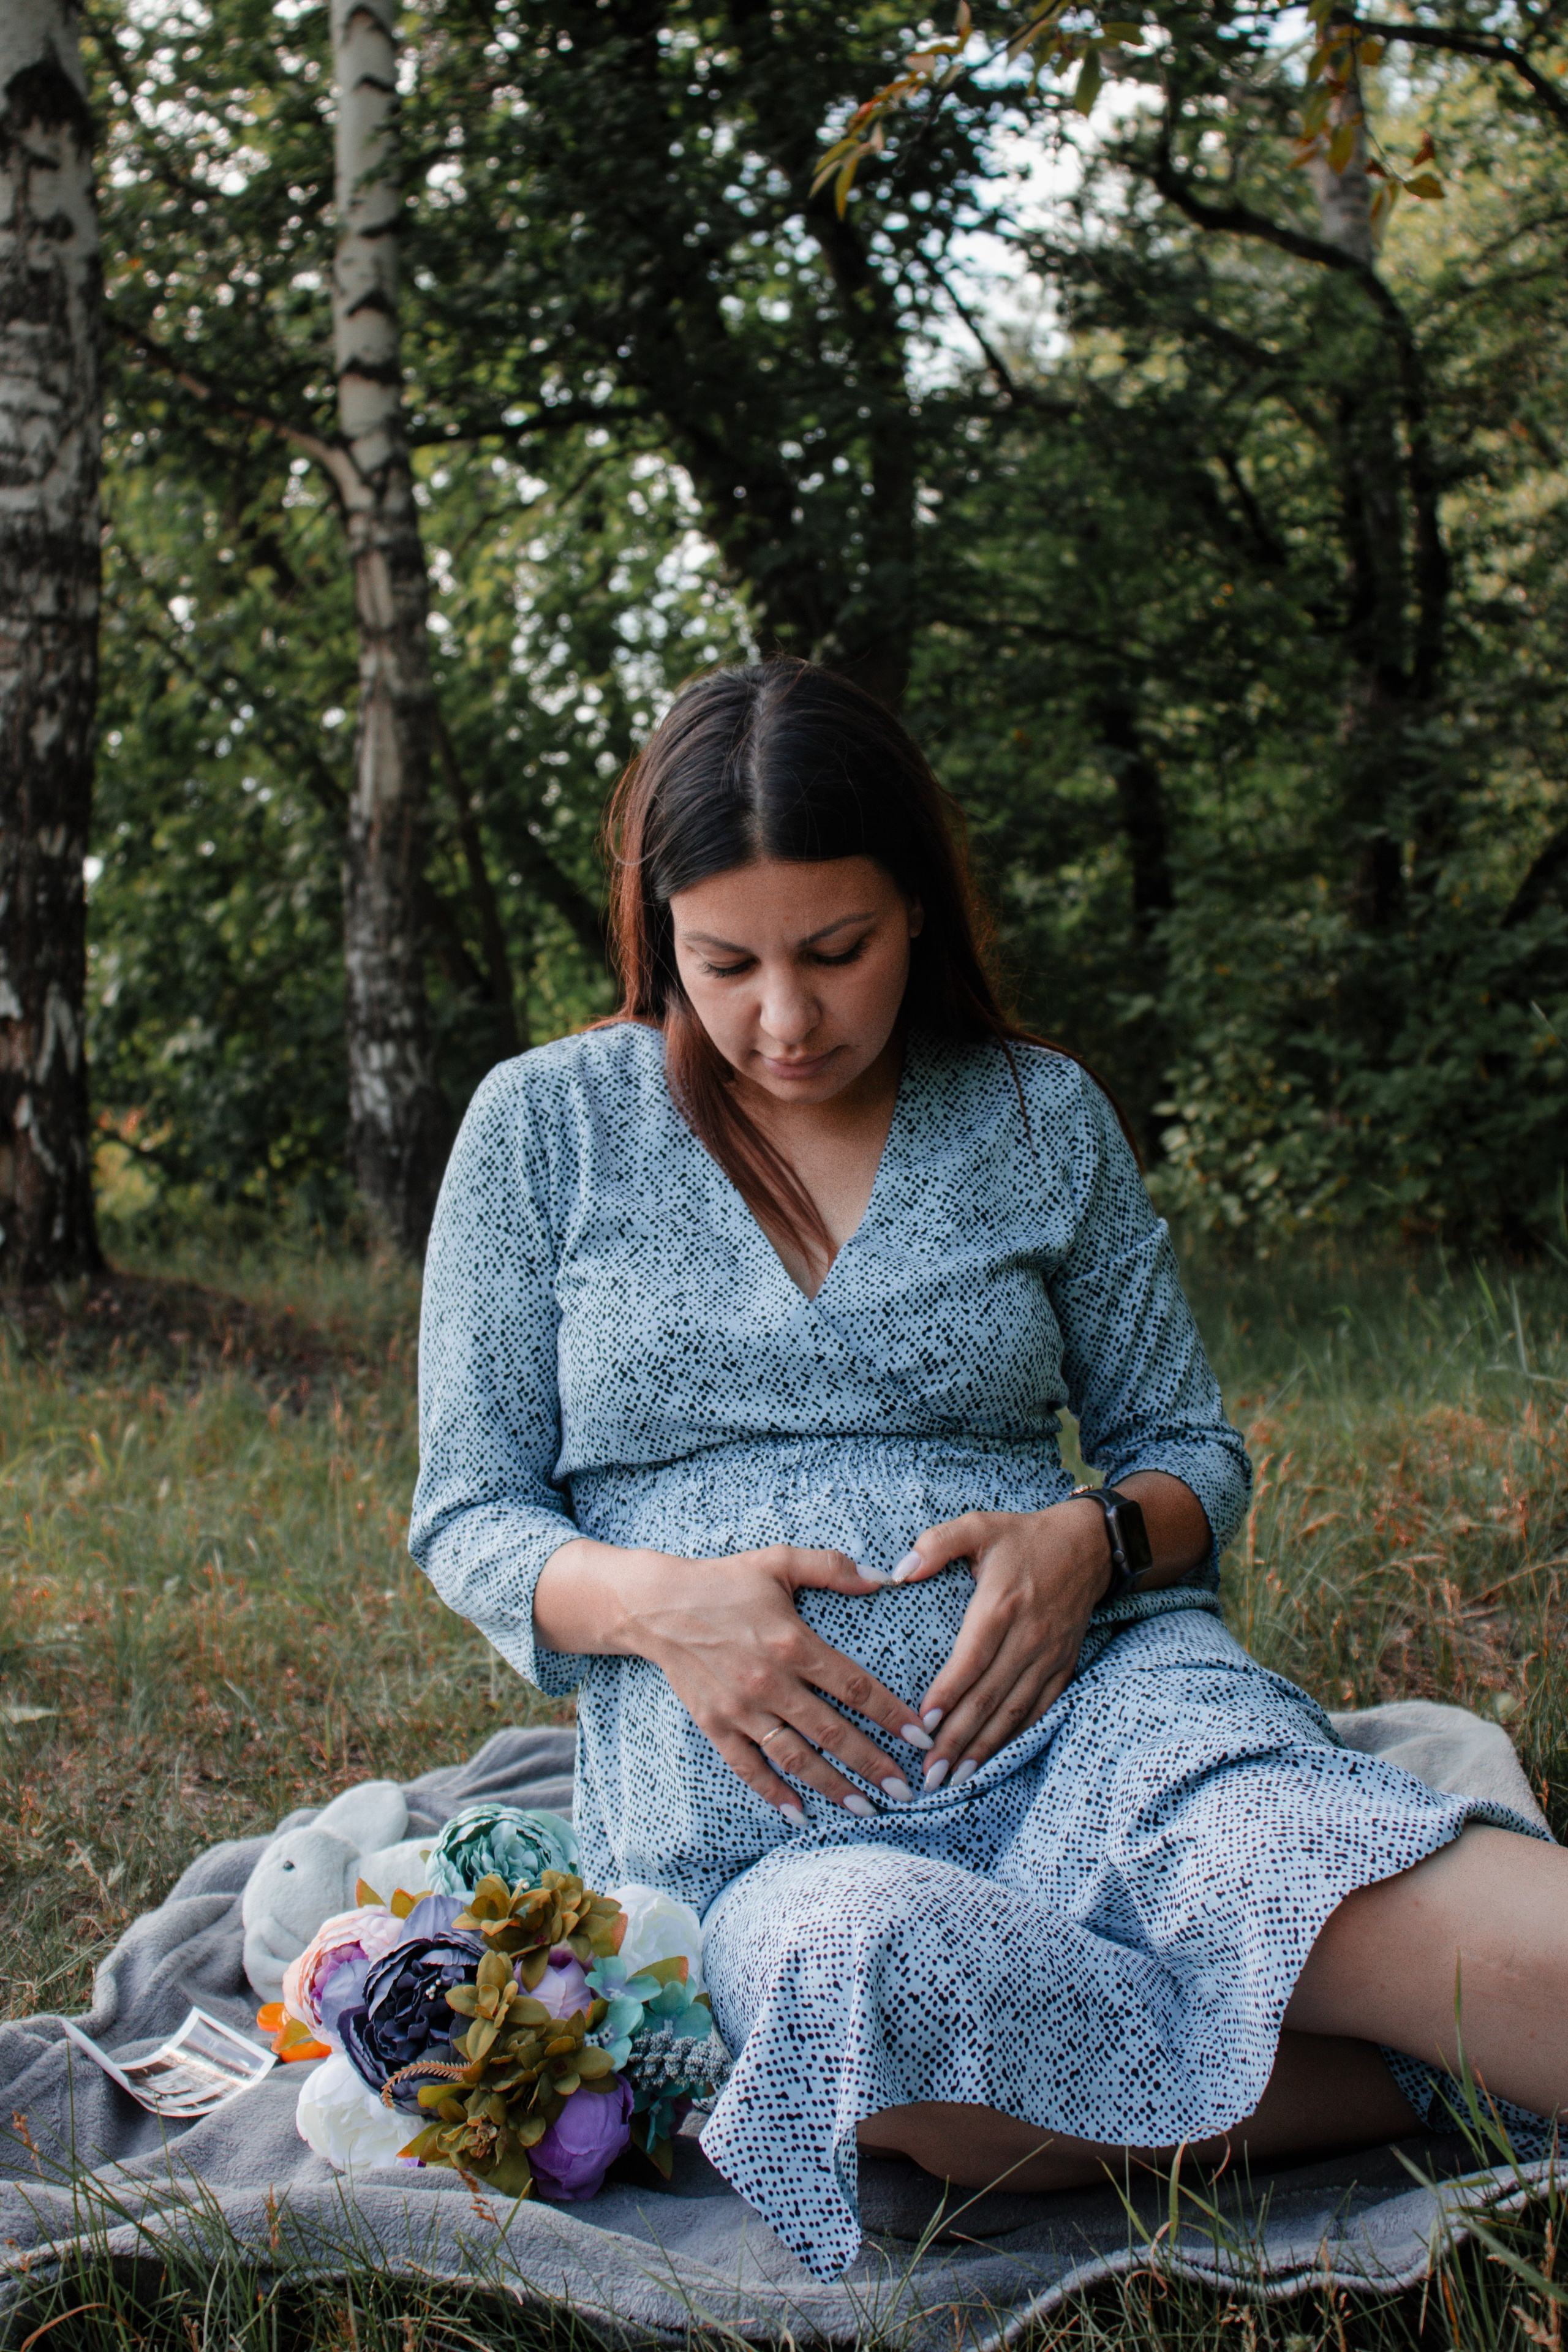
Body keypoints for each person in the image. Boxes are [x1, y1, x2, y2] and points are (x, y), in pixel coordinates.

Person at [410, 657, 1565, 2280]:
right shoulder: (546, 1127)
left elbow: (1189, 1457)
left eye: (837, 951)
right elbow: (470, 1514)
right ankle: (1447, 2086)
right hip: (775, 1832)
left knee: (1298, 1866)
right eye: (725, 963)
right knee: (866, 2024)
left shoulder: (1035, 1115)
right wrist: (660, 1607)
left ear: (919, 912)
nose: (785, 1018)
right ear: (657, 932)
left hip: (1099, 1713)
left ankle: (1402, 2022)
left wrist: (1092, 1540)